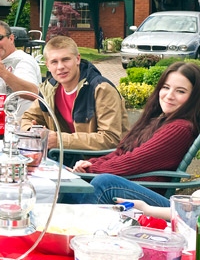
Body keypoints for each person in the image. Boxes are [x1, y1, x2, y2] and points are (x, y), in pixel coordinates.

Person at [64, 62, 200, 205]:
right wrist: (90, 164)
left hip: (151, 198)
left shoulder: (180, 128)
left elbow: (135, 161)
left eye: (181, 91)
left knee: (104, 182)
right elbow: (120, 152)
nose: (169, 95)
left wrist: (92, 169)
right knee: (59, 171)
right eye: (166, 87)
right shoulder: (157, 120)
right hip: (132, 186)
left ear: (194, 97)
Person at [21, 36, 129, 160]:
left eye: (65, 60)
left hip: (102, 165)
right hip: (67, 161)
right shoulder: (49, 89)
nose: (60, 67)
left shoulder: (101, 89)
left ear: (77, 59)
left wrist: (59, 140)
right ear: (48, 66)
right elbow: (27, 118)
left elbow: (111, 139)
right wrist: (33, 132)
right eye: (54, 62)